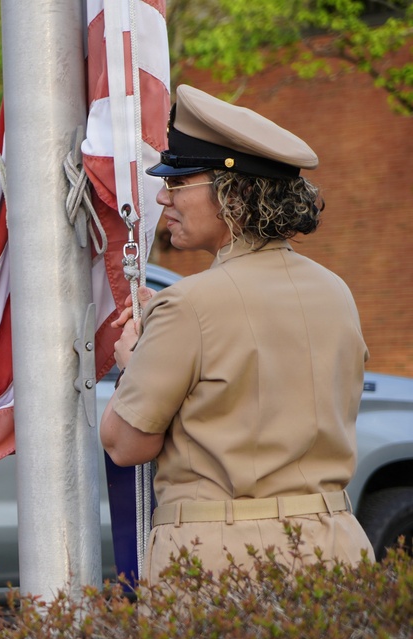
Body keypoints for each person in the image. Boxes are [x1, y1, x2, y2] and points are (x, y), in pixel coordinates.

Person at [99, 85, 374, 585]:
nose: (163, 195)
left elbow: (124, 445)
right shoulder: (336, 291)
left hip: (222, 559)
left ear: (234, 192)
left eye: (179, 179)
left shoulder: (189, 304)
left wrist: (133, 358)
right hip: (338, 550)